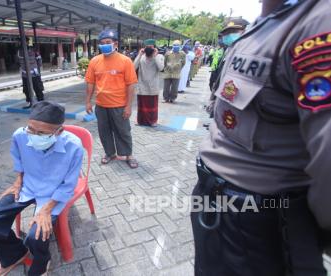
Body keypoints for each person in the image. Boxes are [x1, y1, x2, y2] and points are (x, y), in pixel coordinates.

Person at [191, 0, 331, 275]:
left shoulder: (316, 24)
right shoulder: (262, 24)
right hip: (218, 203)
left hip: (260, 220)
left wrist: (316, 231)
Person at [0, 101, 83, 276]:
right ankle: (14, 255)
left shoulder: (74, 146)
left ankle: (42, 263)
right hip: (28, 187)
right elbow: (19, 161)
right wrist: (17, 182)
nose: (34, 135)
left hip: (53, 193)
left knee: (36, 236)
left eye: (42, 133)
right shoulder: (20, 136)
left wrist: (46, 210)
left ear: (59, 131)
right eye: (31, 129)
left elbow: (68, 185)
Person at [85, 28, 139, 169]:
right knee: (104, 131)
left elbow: (131, 85)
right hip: (101, 105)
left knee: (123, 131)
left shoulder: (125, 61)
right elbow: (90, 82)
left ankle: (128, 154)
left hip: (119, 105)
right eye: (102, 43)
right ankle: (110, 153)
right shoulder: (94, 61)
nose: (104, 45)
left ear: (115, 44)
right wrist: (88, 102)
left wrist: (128, 106)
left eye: (108, 42)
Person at [134, 39, 164, 127]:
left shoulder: (159, 56)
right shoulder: (142, 57)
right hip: (142, 85)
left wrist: (154, 56)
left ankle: (153, 121)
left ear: (154, 48)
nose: (148, 49)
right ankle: (141, 121)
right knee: (141, 104)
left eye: (150, 47)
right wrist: (139, 55)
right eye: (147, 47)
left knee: (152, 105)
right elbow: (133, 67)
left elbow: (161, 68)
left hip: (153, 86)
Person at [18, 38, 44, 109]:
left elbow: (39, 59)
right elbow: (19, 61)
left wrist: (37, 68)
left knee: (37, 88)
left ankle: (41, 102)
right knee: (26, 89)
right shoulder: (19, 51)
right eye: (20, 41)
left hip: (34, 73)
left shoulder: (34, 50)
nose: (22, 43)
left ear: (27, 42)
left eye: (24, 41)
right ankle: (29, 102)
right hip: (25, 74)